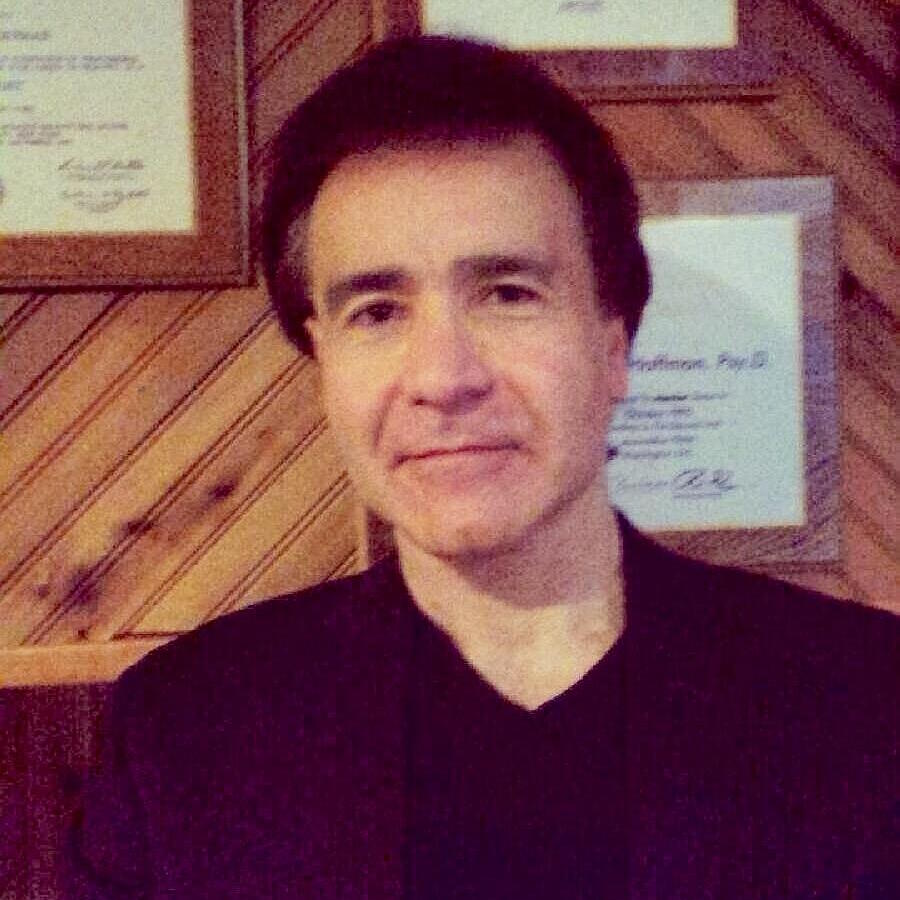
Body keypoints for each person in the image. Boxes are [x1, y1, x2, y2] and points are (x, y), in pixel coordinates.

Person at [68, 37, 897, 899]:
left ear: (613, 346)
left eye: (508, 294)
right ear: (323, 364)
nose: (443, 377)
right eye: (377, 311)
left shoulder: (868, 705)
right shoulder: (179, 737)